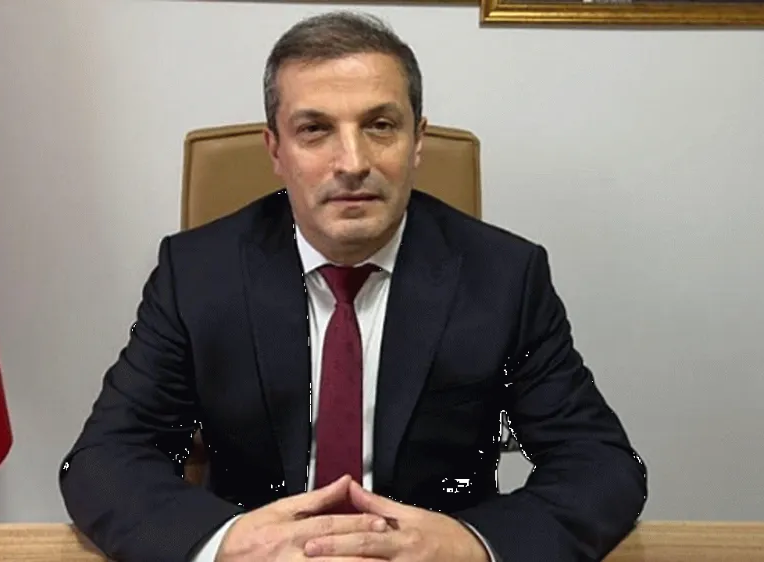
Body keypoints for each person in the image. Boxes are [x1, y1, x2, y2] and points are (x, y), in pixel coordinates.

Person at [59, 10, 647, 562]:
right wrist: (225, 542)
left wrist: (473, 543)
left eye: (380, 126)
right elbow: (105, 460)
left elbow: (599, 465)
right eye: (315, 130)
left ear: (418, 139)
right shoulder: (196, 273)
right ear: (276, 150)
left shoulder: (505, 277)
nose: (352, 162)